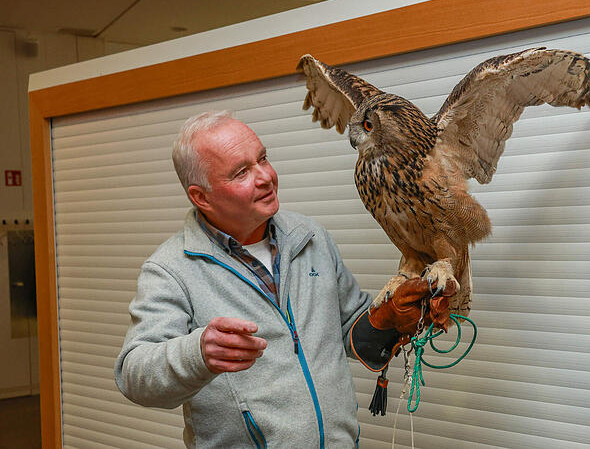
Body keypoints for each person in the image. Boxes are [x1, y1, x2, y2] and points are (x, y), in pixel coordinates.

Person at [114, 111, 451, 448]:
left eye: (263, 158)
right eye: (241, 172)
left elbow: (349, 326)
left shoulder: (310, 237)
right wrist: (197, 353)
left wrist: (389, 318)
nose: (266, 177)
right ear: (201, 196)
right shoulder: (171, 269)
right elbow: (134, 374)